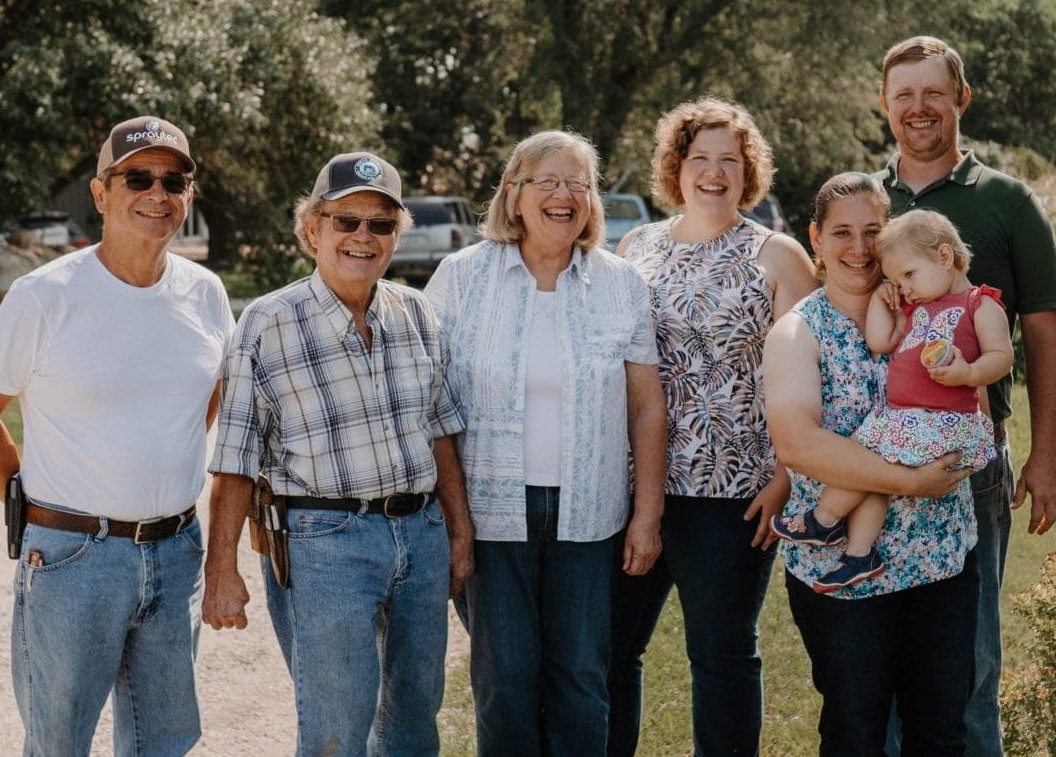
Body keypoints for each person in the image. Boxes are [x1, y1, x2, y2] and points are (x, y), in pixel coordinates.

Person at [0, 115, 232, 756]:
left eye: (174, 180)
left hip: (175, 550)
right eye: (138, 177)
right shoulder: (44, 296)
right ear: (101, 193)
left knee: (164, 741)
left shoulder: (206, 294)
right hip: (73, 558)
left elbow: (204, 401)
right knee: (58, 743)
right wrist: (27, 502)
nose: (157, 193)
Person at [201, 151, 473, 755]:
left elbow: (441, 435)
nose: (362, 236)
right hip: (324, 542)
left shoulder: (420, 314)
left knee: (413, 721)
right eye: (346, 220)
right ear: (312, 230)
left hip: (420, 534)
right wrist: (222, 569)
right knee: (335, 728)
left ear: (395, 237)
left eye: (380, 225)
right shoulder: (268, 323)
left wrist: (458, 533)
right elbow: (235, 459)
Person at [425, 130, 668, 755]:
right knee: (504, 679)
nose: (564, 197)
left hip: (591, 515)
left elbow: (645, 409)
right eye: (548, 182)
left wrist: (647, 515)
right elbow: (432, 407)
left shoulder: (622, 283)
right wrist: (453, 523)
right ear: (514, 193)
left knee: (582, 677)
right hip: (491, 513)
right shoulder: (460, 277)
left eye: (579, 184)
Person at [872, 35, 1056, 755]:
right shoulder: (867, 200)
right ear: (885, 105)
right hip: (876, 461)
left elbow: (1044, 337)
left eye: (932, 92)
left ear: (961, 98)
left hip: (970, 461)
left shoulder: (1007, 202)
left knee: (971, 654)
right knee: (877, 654)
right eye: (904, 95)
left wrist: (1045, 459)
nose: (918, 108)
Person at [609, 97, 819, 756]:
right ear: (677, 166)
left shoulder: (778, 256)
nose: (714, 172)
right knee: (611, 650)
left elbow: (811, 377)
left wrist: (787, 477)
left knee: (722, 656)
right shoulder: (634, 246)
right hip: (635, 489)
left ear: (748, 171)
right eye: (700, 158)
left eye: (730, 160)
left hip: (734, 494)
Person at [764, 172, 979, 755]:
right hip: (843, 576)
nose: (858, 248)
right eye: (841, 233)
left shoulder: (933, 309)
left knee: (940, 732)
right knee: (856, 733)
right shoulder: (796, 333)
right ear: (815, 238)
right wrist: (911, 481)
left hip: (939, 559)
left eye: (872, 232)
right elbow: (798, 445)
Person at [773, 209, 1011, 593]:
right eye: (896, 279)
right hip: (905, 420)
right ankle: (859, 554)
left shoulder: (978, 304)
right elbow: (879, 342)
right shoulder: (917, 307)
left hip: (942, 421)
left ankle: (824, 517)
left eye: (908, 275)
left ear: (945, 257)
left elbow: (1002, 357)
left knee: (869, 460)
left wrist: (968, 374)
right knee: (872, 473)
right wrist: (885, 301)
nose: (904, 286)